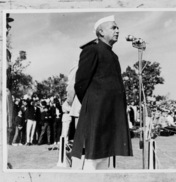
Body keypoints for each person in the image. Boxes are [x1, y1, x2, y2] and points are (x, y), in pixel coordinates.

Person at [71, 15, 133, 170]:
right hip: (96, 112)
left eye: (117, 27)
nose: (118, 30)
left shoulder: (113, 55)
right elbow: (80, 83)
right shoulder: (91, 50)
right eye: (113, 27)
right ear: (101, 32)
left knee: (104, 156)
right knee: (92, 158)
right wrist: (92, 103)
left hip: (110, 113)